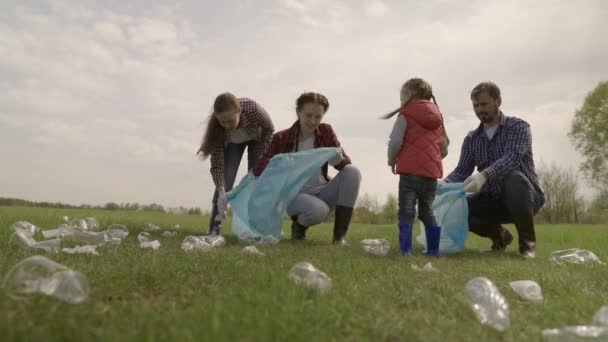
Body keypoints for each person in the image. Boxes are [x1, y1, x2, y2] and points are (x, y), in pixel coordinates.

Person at [444, 81, 545, 258]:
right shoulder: (471, 139)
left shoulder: (518, 127)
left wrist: (485, 175)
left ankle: (527, 246)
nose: (479, 110)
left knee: (514, 178)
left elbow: (512, 157)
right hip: (492, 199)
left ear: (498, 101)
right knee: (457, 207)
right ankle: (500, 236)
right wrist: (442, 185)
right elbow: (462, 170)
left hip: (525, 198)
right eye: (475, 105)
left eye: (484, 104)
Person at [252, 92, 361, 244]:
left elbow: (344, 164)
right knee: (319, 211)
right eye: (308, 115)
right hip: (294, 196)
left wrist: (339, 159)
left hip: (323, 191)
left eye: (318, 117)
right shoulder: (281, 138)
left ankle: (339, 238)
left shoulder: (325, 132)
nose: (313, 121)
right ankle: (299, 226)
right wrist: (279, 162)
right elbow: (259, 169)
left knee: (352, 171)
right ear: (298, 112)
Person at [383, 78, 448, 256]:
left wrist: (391, 160)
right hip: (431, 175)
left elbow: (395, 141)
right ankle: (433, 251)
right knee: (427, 211)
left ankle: (405, 251)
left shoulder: (406, 114)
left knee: (406, 211)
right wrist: (432, 160)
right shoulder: (438, 115)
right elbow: (444, 147)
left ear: (408, 95)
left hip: (409, 173)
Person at [197, 92, 274, 235]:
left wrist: (263, 157)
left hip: (257, 140)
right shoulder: (218, 129)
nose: (226, 125)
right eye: (222, 122)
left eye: (230, 120)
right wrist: (221, 190)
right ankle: (214, 228)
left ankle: (255, 228)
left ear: (239, 111)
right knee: (226, 179)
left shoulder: (252, 109)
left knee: (255, 180)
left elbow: (269, 128)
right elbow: (217, 164)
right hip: (233, 144)